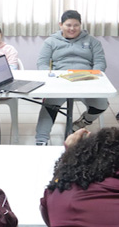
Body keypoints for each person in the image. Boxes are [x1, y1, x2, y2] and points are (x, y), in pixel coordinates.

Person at [35, 10, 107, 145]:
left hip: (86, 80)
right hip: (60, 81)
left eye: (76, 25)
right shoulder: (51, 42)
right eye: (68, 25)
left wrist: (93, 76)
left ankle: (81, 123)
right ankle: (41, 139)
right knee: (49, 106)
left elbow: (100, 62)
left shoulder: (92, 41)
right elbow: (42, 63)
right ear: (61, 25)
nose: (72, 29)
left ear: (81, 25)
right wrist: (51, 78)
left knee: (101, 104)